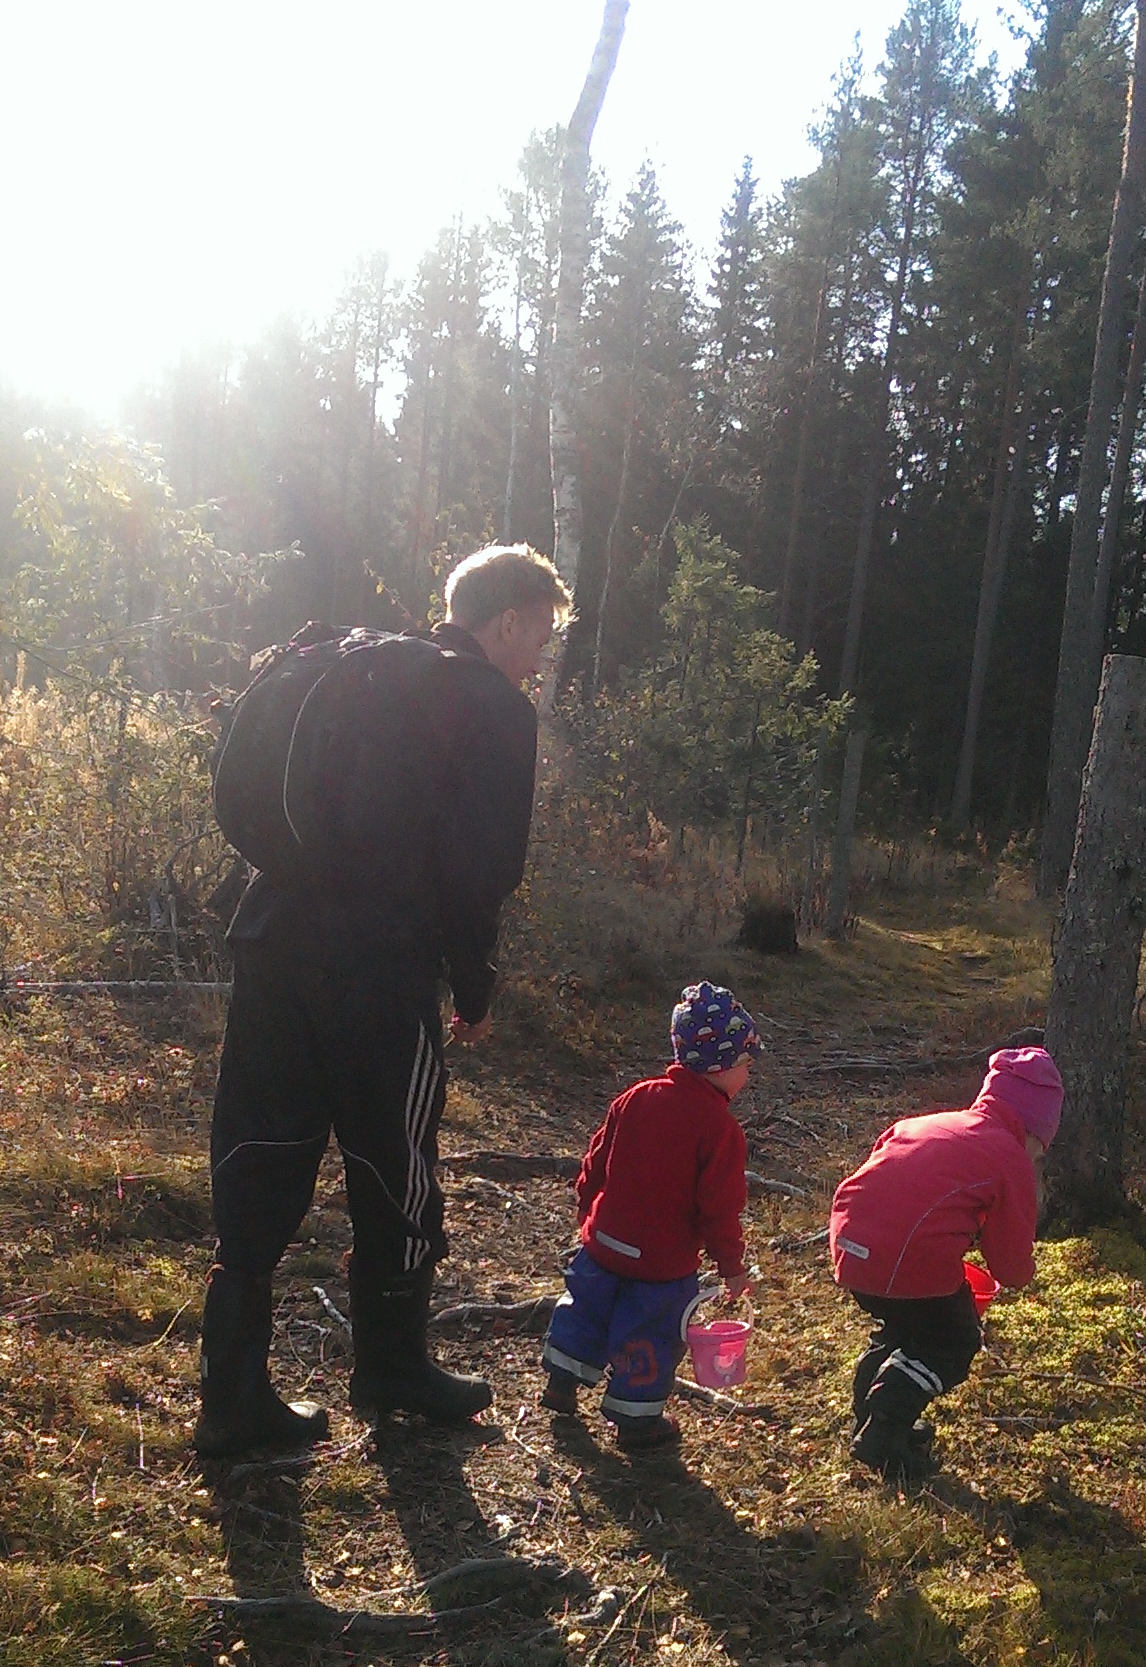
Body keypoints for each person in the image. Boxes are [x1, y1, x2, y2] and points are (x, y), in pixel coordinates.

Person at [195, 543, 570, 1458]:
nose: (538, 660)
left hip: (272, 937)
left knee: (262, 1142)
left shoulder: (362, 672)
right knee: (394, 1156)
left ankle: (230, 1396)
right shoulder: (489, 706)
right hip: (378, 963)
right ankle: (393, 1368)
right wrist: (475, 986)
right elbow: (479, 873)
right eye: (540, 638)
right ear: (507, 621)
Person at [828, 1044, 1064, 1488]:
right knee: (953, 1341)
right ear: (1034, 1130)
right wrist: (1023, 1273)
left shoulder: (929, 1124)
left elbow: (890, 1179)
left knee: (906, 1329)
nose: (1036, 1157)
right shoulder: (1009, 1156)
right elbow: (1009, 1261)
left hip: (849, 1242)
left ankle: (869, 1416)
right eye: (1040, 1149)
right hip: (904, 1256)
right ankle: (884, 1430)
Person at [540, 982, 758, 1453]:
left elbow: (596, 1161)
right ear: (719, 1065)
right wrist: (732, 1267)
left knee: (587, 1308)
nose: (748, 1073)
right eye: (745, 1063)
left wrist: (588, 1211)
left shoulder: (636, 1097)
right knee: (651, 1334)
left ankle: (562, 1379)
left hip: (603, 1243)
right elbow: (719, 1208)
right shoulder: (719, 1129)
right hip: (662, 1265)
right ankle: (635, 1419)